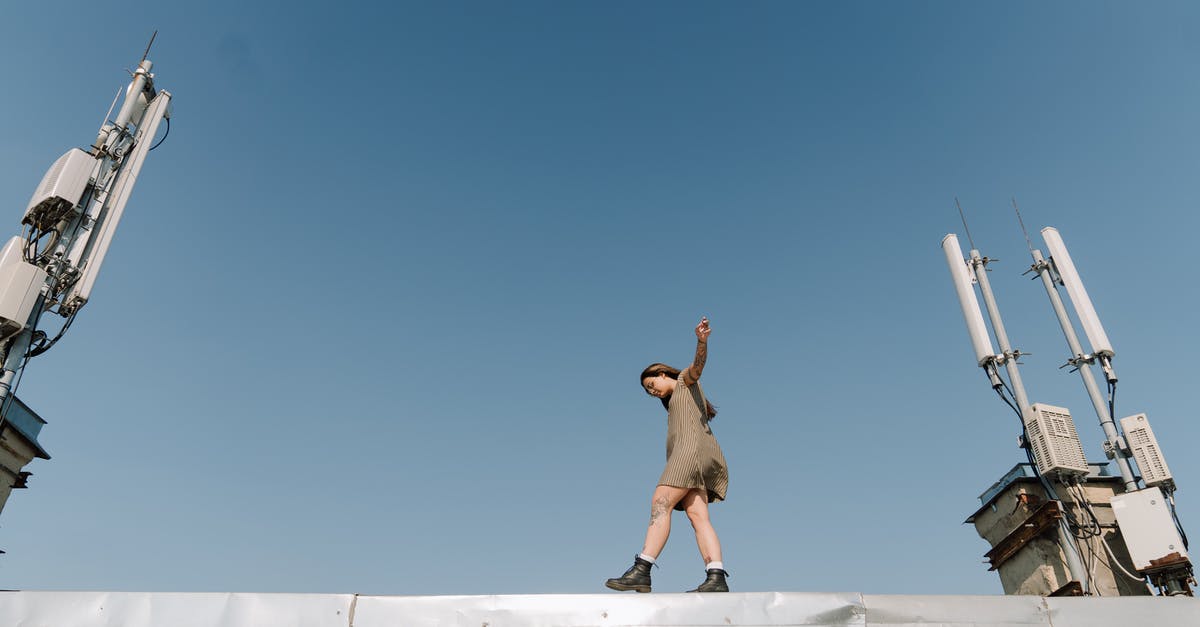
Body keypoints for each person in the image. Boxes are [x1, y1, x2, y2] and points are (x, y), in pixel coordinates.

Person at [605, 316, 730, 593]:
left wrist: (701, 341)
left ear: (664, 374)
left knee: (660, 501)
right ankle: (716, 576)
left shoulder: (685, 383)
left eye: (652, 384)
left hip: (691, 454)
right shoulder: (676, 402)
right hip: (702, 456)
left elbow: (698, 367)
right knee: (699, 516)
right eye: (648, 391)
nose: (652, 391)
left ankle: (642, 568)